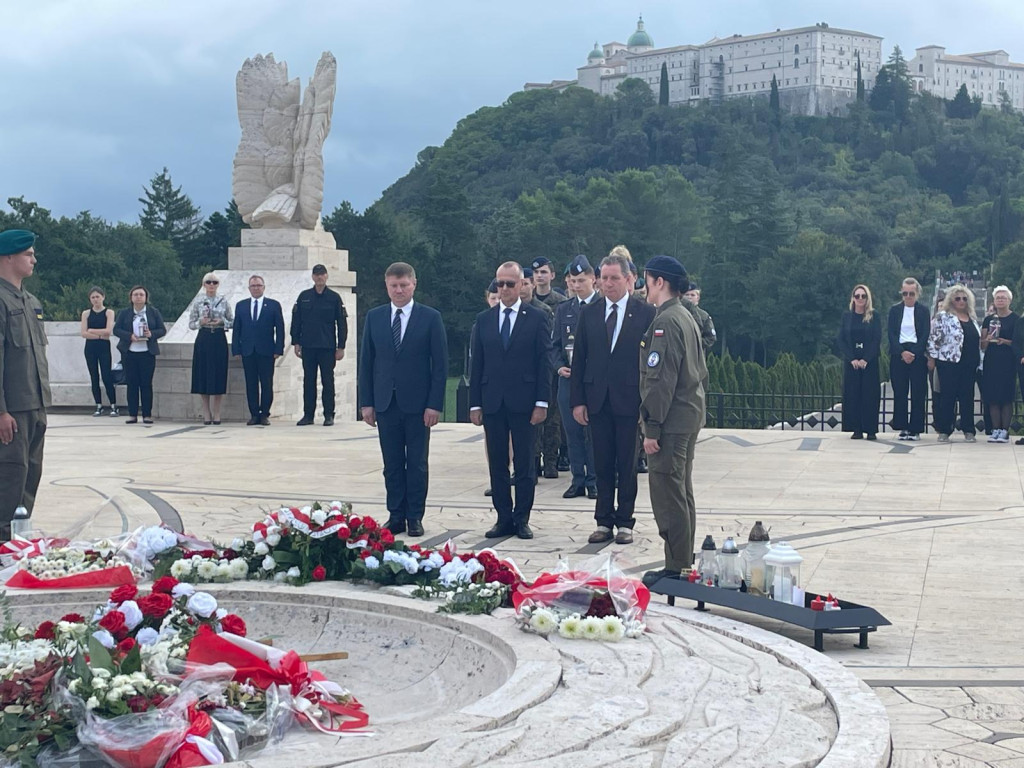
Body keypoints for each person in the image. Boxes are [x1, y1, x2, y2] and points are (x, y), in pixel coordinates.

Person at [570, 254, 656, 545]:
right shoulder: (590, 313)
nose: (608, 284)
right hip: (597, 399)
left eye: (614, 278)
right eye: (603, 278)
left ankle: (625, 521)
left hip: (629, 399)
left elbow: (650, 362)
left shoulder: (645, 313)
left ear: (629, 279)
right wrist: (577, 401)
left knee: (627, 463)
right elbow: (579, 358)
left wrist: (648, 404)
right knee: (602, 461)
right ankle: (603, 520)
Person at [360, 262, 448, 538]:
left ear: (414, 284)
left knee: (418, 463)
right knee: (392, 463)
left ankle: (414, 517)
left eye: (403, 285)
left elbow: (441, 365)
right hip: (386, 402)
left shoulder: (430, 318)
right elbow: (367, 362)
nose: (398, 290)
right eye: (393, 286)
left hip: (419, 404)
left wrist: (435, 404)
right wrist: (367, 402)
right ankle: (396, 515)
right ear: (386, 286)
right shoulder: (374, 318)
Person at [638, 255, 707, 588]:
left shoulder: (666, 321)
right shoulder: (686, 316)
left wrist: (651, 427)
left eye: (647, 280)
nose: (644, 287)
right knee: (682, 490)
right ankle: (682, 561)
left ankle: (677, 566)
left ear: (659, 282)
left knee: (668, 492)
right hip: (687, 416)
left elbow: (659, 379)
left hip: (671, 421)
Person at [470, 262, 551, 540]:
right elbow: (477, 364)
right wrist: (475, 404)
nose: (504, 289)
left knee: (526, 464)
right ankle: (503, 517)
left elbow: (544, 363)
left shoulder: (537, 318)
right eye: (499, 284)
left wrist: (542, 402)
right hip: (493, 401)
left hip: (525, 401)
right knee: (497, 463)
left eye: (510, 284)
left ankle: (522, 518)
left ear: (521, 285)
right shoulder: (484, 320)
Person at [0, 229, 50, 536]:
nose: (34, 259)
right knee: (10, 474)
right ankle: (4, 538)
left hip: (35, 403)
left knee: (31, 473)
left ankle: (18, 534)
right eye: (27, 254)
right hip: (13, 409)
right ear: (7, 257)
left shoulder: (30, 301)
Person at [551, 256, 598, 499]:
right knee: (572, 431)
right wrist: (559, 366)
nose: (577, 285)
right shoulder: (564, 309)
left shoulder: (602, 306)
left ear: (593, 279)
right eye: (573, 281)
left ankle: (593, 479)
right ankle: (577, 478)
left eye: (581, 280)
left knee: (592, 432)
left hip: (593, 382)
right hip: (569, 380)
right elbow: (554, 345)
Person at [291, 264, 348, 426]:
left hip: (327, 346)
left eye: (322, 274)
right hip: (308, 346)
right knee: (308, 381)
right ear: (313, 277)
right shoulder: (304, 296)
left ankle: (329, 415)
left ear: (327, 276)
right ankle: (308, 415)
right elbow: (297, 321)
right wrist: (296, 342)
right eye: (316, 275)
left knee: (327, 381)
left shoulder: (334, 297)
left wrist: (341, 346)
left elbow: (342, 323)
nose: (319, 277)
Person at [927, 285, 980, 443]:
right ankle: (944, 430)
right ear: (951, 300)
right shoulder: (943, 316)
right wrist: (932, 359)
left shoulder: (972, 318)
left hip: (969, 364)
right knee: (947, 397)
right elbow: (934, 339)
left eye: (964, 298)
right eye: (957, 299)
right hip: (948, 363)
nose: (961, 301)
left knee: (967, 397)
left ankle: (968, 430)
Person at [520, 267, 559, 478]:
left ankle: (550, 460)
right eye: (522, 283)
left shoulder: (543, 310)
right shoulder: (512, 310)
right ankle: (532, 462)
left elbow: (549, 344)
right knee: (529, 422)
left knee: (551, 420)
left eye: (527, 283)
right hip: (524, 375)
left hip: (545, 371)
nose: (524, 287)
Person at [232, 274, 285, 426]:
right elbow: (237, 329)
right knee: (251, 384)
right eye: (253, 286)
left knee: (267, 383)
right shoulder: (241, 305)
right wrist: (236, 349)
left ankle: (264, 414)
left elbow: (279, 329)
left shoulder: (273, 305)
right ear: (249, 288)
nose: (256, 288)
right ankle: (254, 414)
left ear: (264, 287)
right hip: (248, 351)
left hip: (267, 351)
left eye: (258, 285)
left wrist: (278, 348)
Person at [113, 286, 166, 425]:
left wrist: (151, 334)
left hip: (147, 353)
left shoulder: (153, 312)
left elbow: (162, 330)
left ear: (146, 297)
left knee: (146, 384)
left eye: (141, 294)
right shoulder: (125, 313)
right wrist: (129, 336)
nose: (138, 297)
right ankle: (132, 414)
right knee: (132, 384)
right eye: (135, 294)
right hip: (129, 353)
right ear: (131, 297)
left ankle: (147, 414)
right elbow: (116, 329)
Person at [887, 278, 930, 441]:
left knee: (918, 392)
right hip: (899, 353)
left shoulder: (923, 311)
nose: (908, 296)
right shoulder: (895, 310)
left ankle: (916, 428)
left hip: (917, 354)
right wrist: (901, 352)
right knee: (900, 391)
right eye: (905, 293)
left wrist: (915, 353)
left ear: (917, 293)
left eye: (911, 293)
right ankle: (902, 426)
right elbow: (891, 333)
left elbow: (925, 333)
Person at [188, 273, 233, 425]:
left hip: (219, 338)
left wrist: (222, 321)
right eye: (209, 282)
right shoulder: (199, 301)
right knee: (203, 374)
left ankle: (217, 412)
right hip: (204, 337)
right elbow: (191, 323)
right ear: (204, 284)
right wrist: (201, 322)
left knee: (219, 374)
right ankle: (206, 412)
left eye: (214, 282)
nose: (211, 285)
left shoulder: (224, 301)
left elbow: (232, 321)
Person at [838, 285, 882, 440]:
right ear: (853, 298)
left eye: (863, 296)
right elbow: (842, 340)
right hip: (852, 363)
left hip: (869, 362)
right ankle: (856, 428)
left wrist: (865, 359)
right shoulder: (847, 317)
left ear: (868, 298)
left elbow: (877, 339)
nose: (860, 299)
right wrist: (853, 359)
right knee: (853, 395)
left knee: (870, 396)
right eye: (857, 296)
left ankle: (870, 429)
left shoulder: (874, 316)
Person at [981, 286, 1017, 443]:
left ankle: (1005, 431)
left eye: (1003, 297)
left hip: (1008, 361)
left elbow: (1019, 343)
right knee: (992, 396)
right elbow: (982, 345)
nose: (1000, 300)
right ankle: (995, 429)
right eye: (998, 297)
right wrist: (987, 339)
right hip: (991, 361)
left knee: (1006, 397)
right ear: (994, 301)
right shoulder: (989, 320)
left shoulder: (1016, 319)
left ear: (1009, 300)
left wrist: (1006, 342)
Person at [80, 287, 117, 417]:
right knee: (94, 376)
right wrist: (99, 335)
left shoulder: (109, 312)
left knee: (106, 376)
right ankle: (98, 405)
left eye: (97, 297)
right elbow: (84, 333)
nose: (95, 299)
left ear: (103, 297)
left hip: (104, 347)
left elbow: (108, 331)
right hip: (90, 348)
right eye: (93, 297)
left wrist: (92, 331)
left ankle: (113, 405)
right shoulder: (86, 313)